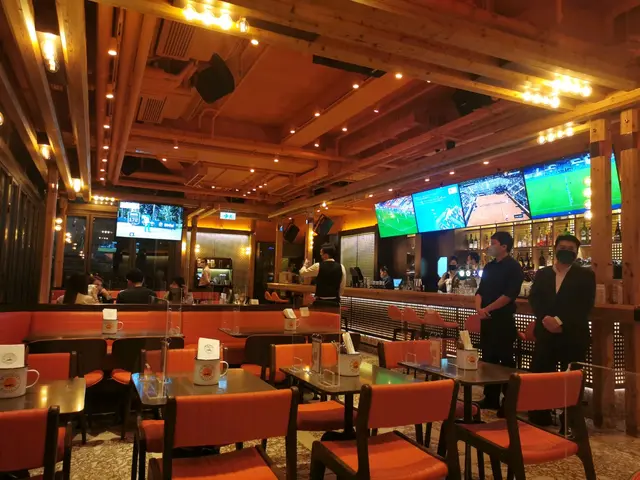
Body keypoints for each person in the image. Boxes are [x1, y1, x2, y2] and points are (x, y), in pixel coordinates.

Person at [527, 234, 595, 427]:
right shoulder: (543, 273)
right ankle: (540, 416)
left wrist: (559, 321)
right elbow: (535, 298)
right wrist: (545, 318)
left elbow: (584, 304)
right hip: (545, 333)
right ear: (555, 249)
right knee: (541, 376)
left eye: (571, 249)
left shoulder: (586, 275)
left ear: (576, 252)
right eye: (563, 247)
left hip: (573, 334)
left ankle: (570, 421)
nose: (567, 251)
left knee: (572, 380)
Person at [475, 232, 524, 411]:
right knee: (489, 360)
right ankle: (491, 398)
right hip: (486, 321)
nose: (489, 246)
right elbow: (480, 291)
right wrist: (479, 309)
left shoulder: (514, 267)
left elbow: (509, 296)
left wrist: (487, 309)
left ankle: (509, 402)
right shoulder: (489, 266)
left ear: (504, 246)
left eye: (493, 243)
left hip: (503, 321)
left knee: (506, 362)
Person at [299, 243, 346, 308]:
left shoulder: (318, 266)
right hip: (335, 302)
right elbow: (342, 286)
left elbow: (302, 273)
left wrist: (305, 265)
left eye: (321, 254)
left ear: (326, 255)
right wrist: (336, 295)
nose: (320, 255)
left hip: (320, 302)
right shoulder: (341, 267)